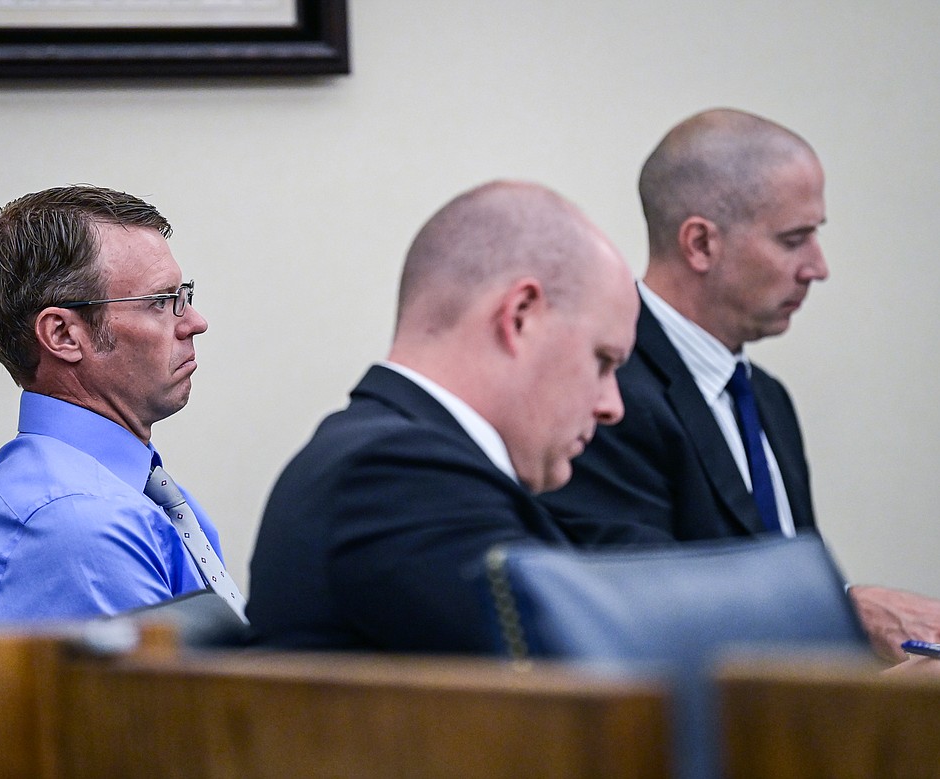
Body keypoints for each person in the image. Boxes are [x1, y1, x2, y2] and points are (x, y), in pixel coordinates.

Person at [538, 108, 940, 662]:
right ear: (701, 243)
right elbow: (641, 603)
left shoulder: (767, 398)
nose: (818, 267)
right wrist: (849, 609)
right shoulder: (606, 396)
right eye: (794, 239)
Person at [246, 180, 639, 651]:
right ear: (520, 317)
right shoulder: (394, 476)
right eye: (603, 360)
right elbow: (584, 670)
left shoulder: (398, 462)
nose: (611, 405)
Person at [0, 184, 238, 623]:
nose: (195, 322)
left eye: (185, 295)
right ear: (63, 335)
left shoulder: (125, 489)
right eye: (161, 302)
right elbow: (187, 694)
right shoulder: (79, 523)